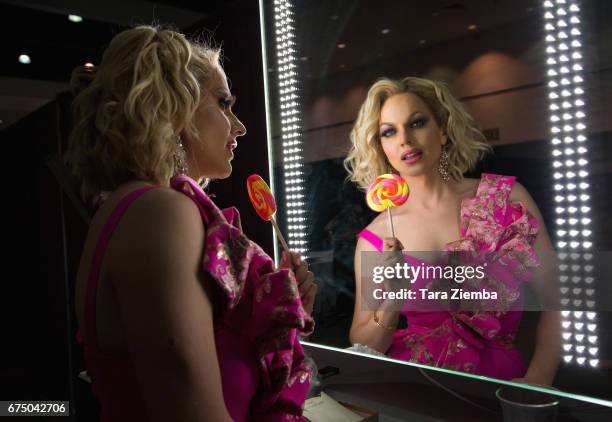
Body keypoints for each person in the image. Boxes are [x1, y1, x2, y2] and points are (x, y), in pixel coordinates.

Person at [66, 25, 317, 422]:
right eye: (222, 102)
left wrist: (276, 313)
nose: (239, 125)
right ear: (172, 107)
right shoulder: (159, 213)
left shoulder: (135, 211)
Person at [344, 76, 560, 386]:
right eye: (389, 132)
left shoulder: (506, 200)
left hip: (501, 390)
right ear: (381, 147)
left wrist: (539, 379)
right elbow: (366, 345)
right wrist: (391, 301)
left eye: (417, 122)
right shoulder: (376, 237)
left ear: (443, 130)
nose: (404, 138)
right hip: (413, 392)